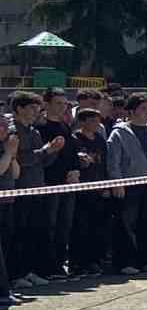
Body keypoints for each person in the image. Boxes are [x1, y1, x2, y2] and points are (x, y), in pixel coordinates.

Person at [107, 93, 147, 274]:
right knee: (126, 224)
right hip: (129, 185)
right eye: (143, 109)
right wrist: (116, 183)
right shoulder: (119, 132)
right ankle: (126, 262)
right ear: (132, 111)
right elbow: (114, 161)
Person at [11, 90, 66, 286]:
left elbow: (42, 161)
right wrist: (44, 150)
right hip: (19, 190)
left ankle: (30, 270)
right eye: (32, 107)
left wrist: (53, 150)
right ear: (19, 109)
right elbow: (19, 159)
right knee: (18, 233)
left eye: (37, 107)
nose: (37, 111)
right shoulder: (13, 131)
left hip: (37, 187)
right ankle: (16, 274)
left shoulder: (34, 131)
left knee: (34, 232)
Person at [37, 88, 87, 280]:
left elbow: (71, 154)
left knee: (63, 227)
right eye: (58, 103)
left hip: (68, 185)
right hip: (49, 184)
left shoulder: (65, 127)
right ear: (46, 104)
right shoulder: (40, 127)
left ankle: (58, 265)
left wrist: (76, 170)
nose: (62, 107)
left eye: (65, 103)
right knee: (48, 226)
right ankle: (46, 267)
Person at [70, 107, 111, 276]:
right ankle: (78, 263)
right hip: (82, 191)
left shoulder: (100, 140)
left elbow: (105, 164)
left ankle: (94, 261)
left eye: (98, 121)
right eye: (92, 121)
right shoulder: (75, 139)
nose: (96, 124)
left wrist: (106, 185)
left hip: (98, 190)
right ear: (82, 122)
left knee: (97, 227)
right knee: (80, 227)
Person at [0, 120, 26, 308]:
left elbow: (15, 174)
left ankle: (6, 285)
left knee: (7, 245)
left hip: (8, 202)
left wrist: (13, 156)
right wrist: (9, 152)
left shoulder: (5, 147)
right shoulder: (4, 149)